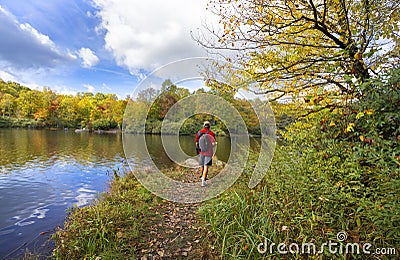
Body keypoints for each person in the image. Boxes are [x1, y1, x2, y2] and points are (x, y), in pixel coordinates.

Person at [195, 121, 216, 186]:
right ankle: (203, 180)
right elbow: (213, 144)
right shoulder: (211, 133)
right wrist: (214, 145)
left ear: (203, 126)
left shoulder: (199, 133)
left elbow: (196, 143)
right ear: (209, 126)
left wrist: (199, 150)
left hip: (200, 152)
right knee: (206, 166)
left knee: (201, 165)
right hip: (208, 152)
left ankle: (202, 176)